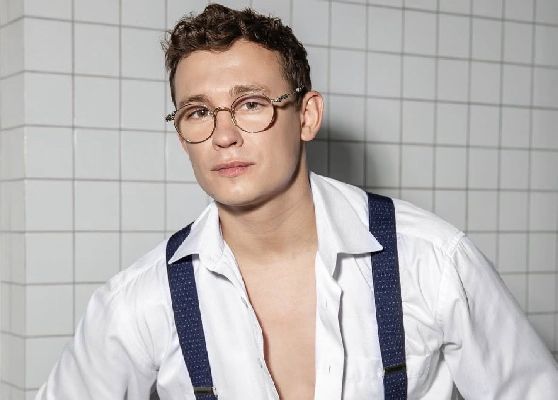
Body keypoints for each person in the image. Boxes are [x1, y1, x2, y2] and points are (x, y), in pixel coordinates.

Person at [37, 4, 557, 400]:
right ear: (181, 134)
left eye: (251, 104)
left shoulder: (433, 260)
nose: (224, 135)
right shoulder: (140, 299)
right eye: (198, 112)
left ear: (306, 116)